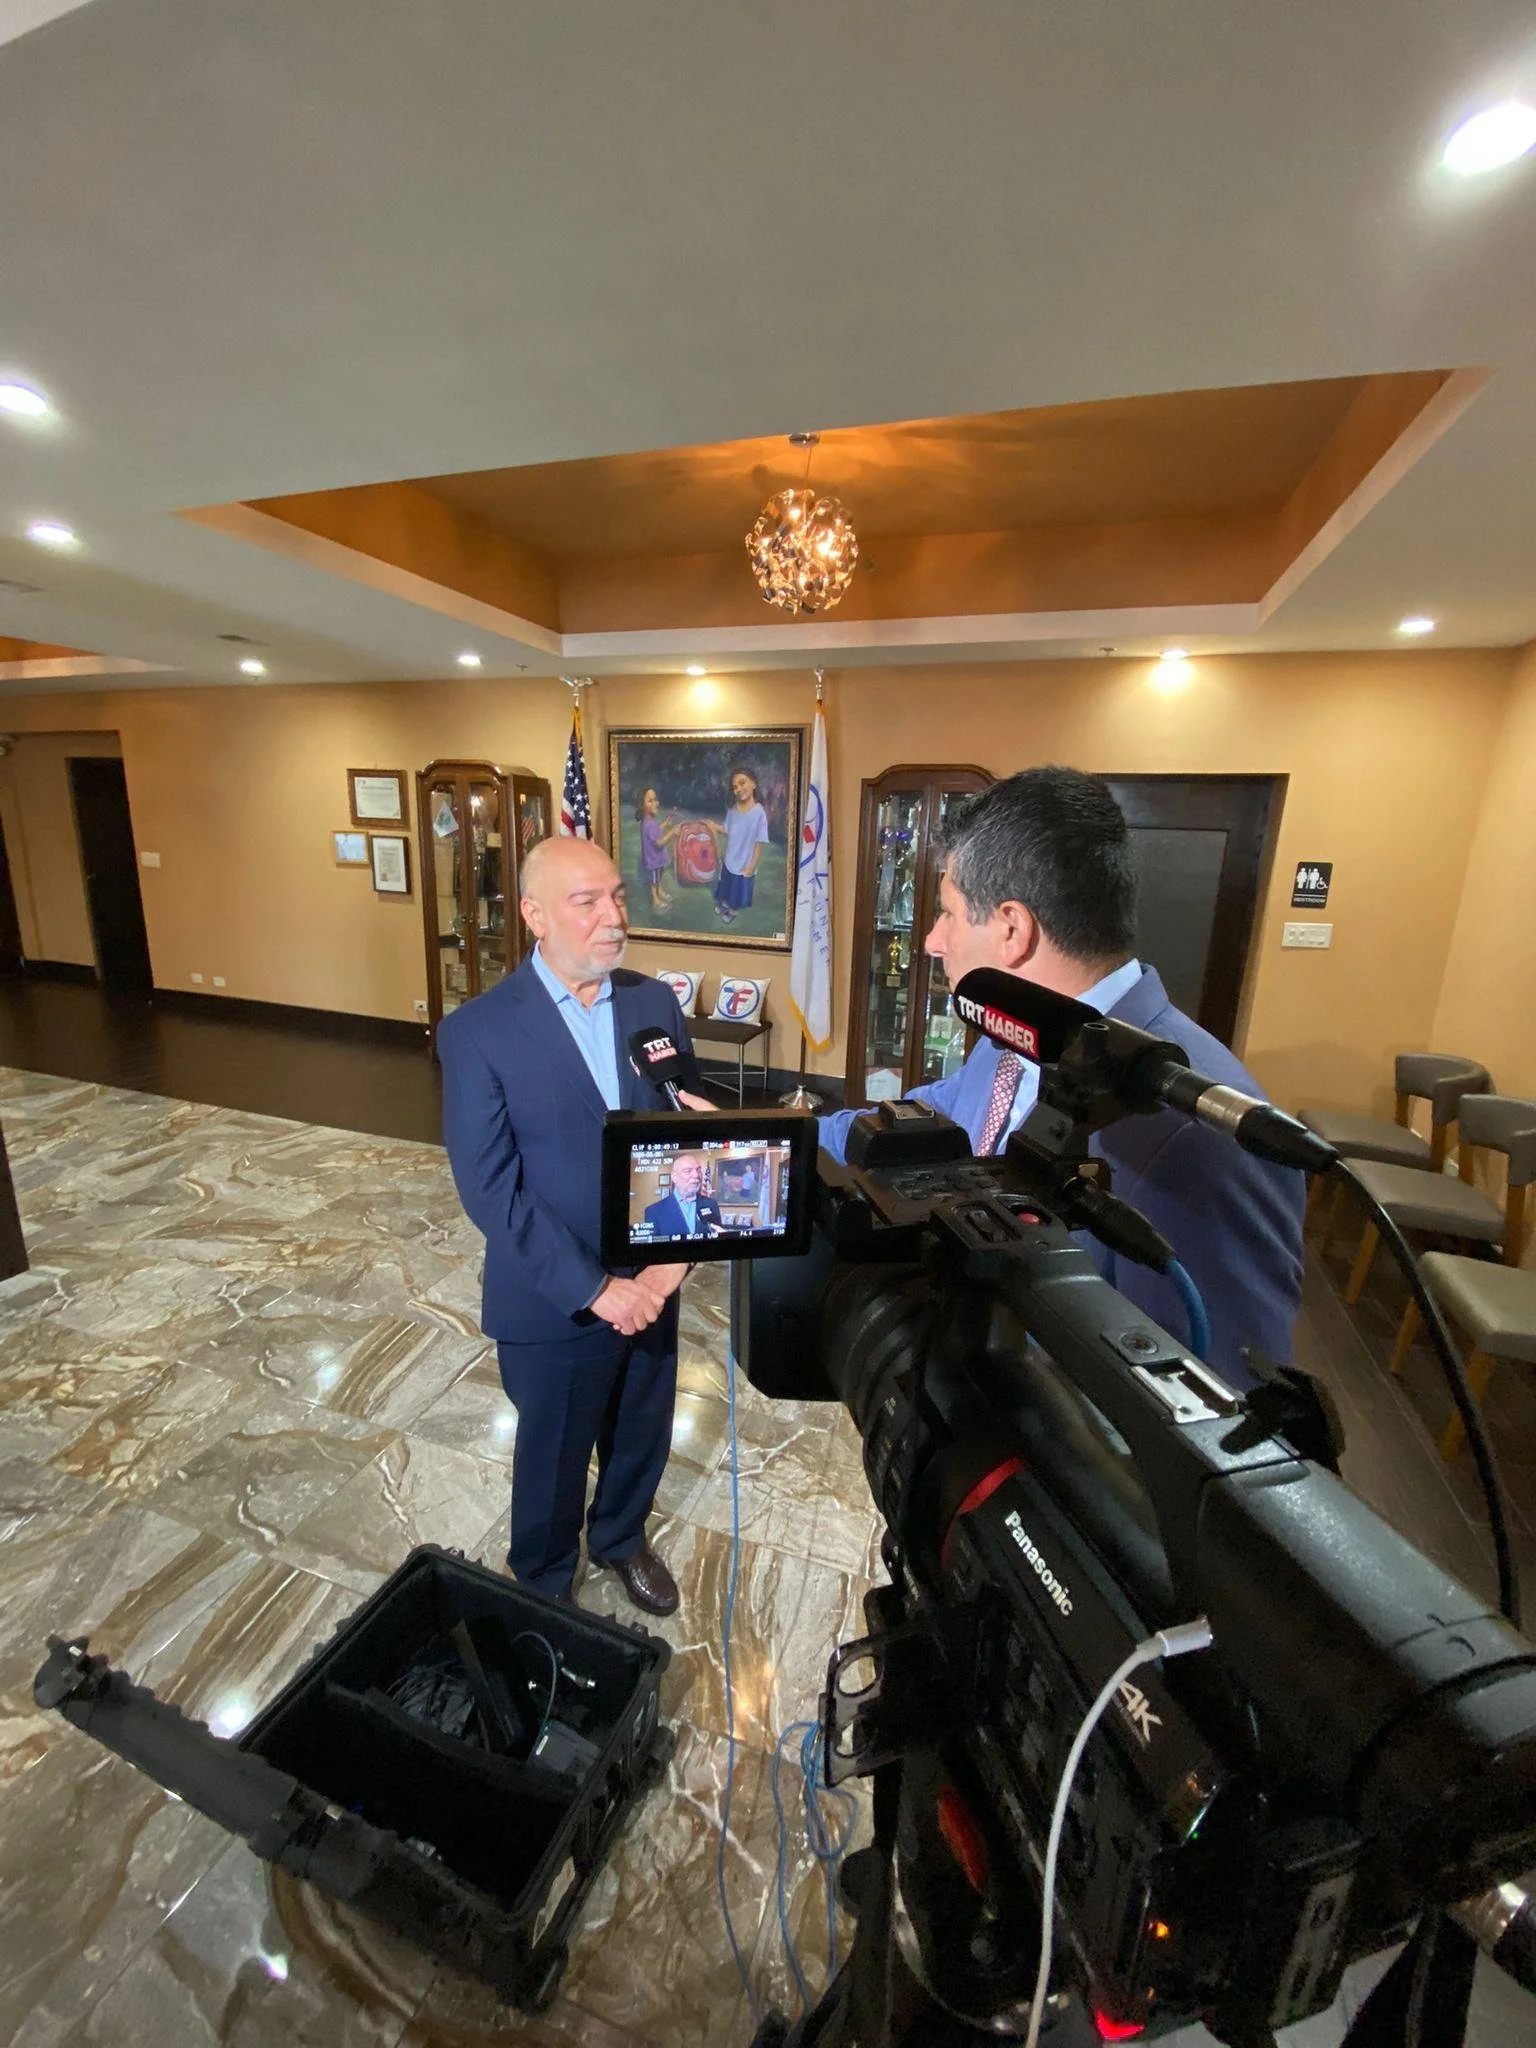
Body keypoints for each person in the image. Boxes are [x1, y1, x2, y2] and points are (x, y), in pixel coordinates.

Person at [819, 768, 1305, 1389]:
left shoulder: (1200, 1137)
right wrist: (798, 1140)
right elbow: (945, 1108)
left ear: (1012, 930)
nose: (932, 942)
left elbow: (1224, 1406)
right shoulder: (1022, 1029)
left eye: (946, 914)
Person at [438, 835, 714, 1614]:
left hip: (654, 1278)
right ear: (533, 914)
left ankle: (622, 1538)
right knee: (553, 1454)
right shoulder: (478, 1032)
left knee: (641, 1431)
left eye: (618, 896)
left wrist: (667, 1269)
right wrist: (597, 1289)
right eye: (585, 901)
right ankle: (547, 1581)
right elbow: (490, 1189)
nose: (612, 917)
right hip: (553, 1297)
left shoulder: (653, 1003)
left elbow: (682, 1139)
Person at [707, 766, 769, 924]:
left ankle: (733, 910)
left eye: (742, 783)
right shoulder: (733, 809)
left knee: (738, 891)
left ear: (754, 784)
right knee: (727, 885)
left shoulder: (759, 813)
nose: (739, 789)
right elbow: (727, 829)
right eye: (735, 787)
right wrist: (714, 826)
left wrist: (751, 866)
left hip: (745, 863)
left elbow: (759, 843)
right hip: (730, 859)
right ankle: (726, 903)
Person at [643, 1152, 725, 1239]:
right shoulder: (654, 1211)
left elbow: (718, 1236)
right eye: (688, 1171)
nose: (696, 1175)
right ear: (674, 1177)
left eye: (698, 1170)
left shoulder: (711, 1204)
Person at [634, 785, 681, 911]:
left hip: (656, 859)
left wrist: (667, 821)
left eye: (655, 800)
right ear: (642, 806)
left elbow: (657, 831)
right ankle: (655, 899)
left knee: (658, 877)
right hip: (654, 860)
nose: (655, 803)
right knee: (654, 881)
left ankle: (659, 892)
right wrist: (672, 833)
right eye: (650, 801)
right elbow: (659, 843)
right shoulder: (649, 824)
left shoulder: (649, 821)